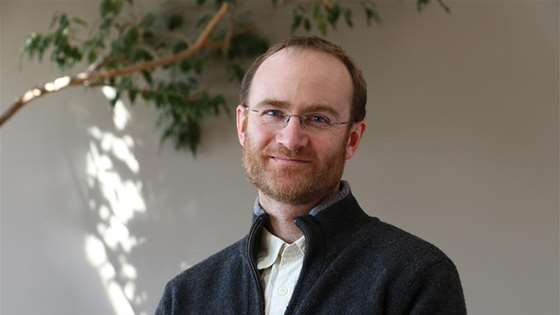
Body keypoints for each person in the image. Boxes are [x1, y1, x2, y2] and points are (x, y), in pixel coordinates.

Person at [155, 36, 466, 315]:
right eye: (273, 113)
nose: (291, 139)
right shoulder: (184, 298)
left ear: (353, 139)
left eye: (318, 118)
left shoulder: (416, 278)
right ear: (242, 125)